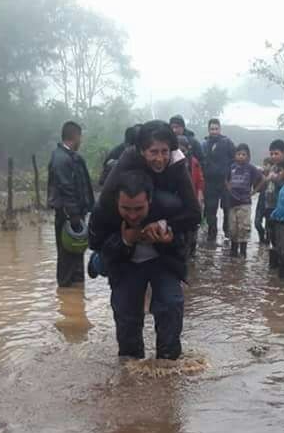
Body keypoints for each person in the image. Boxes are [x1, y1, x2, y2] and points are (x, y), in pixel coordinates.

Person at [90, 171, 186, 360]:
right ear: (116, 202)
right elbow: (98, 246)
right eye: (126, 208)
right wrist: (125, 240)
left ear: (150, 200)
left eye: (139, 209)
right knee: (126, 317)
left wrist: (169, 238)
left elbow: (186, 248)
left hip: (162, 263)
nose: (132, 215)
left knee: (171, 305)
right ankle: (129, 369)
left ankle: (169, 363)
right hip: (124, 264)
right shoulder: (103, 212)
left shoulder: (171, 208)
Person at [47, 120, 94, 287]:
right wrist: (73, 214)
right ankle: (66, 290)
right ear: (75, 136)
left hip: (76, 214)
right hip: (67, 215)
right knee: (67, 254)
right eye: (80, 137)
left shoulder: (71, 157)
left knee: (77, 250)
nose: (81, 141)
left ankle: (76, 293)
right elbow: (66, 187)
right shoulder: (61, 159)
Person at [226, 143, 264, 258]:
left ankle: (243, 252)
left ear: (248, 156)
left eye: (244, 154)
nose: (241, 156)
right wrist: (228, 188)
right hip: (232, 202)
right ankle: (233, 251)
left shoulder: (251, 168)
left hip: (245, 202)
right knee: (232, 228)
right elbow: (225, 178)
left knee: (243, 227)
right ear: (235, 155)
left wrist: (254, 191)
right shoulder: (231, 167)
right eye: (239, 154)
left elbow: (262, 179)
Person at [202, 118, 235, 239]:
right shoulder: (204, 144)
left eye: (216, 129)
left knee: (227, 207)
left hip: (225, 181)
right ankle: (212, 232)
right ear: (208, 130)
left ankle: (227, 230)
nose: (214, 131)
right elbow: (201, 161)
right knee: (211, 208)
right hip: (210, 182)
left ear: (220, 129)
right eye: (212, 129)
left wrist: (230, 176)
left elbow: (234, 159)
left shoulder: (227, 142)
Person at [178, 135, 204, 257]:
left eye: (183, 151)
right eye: (178, 150)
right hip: (178, 201)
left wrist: (199, 196)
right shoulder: (172, 162)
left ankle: (192, 249)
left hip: (192, 199)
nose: (181, 153)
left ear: (188, 149)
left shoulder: (194, 163)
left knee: (193, 226)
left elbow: (200, 181)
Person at [264, 139, 284, 247]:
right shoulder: (273, 167)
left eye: (276, 153)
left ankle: (282, 260)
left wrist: (275, 179)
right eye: (271, 154)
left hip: (281, 207)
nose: (273, 156)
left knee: (281, 236)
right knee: (271, 233)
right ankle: (274, 260)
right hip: (270, 205)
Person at [254, 157, 273, 243]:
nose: (265, 167)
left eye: (267, 165)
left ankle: (266, 245)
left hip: (272, 204)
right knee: (257, 223)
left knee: (269, 226)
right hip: (261, 202)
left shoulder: (275, 177)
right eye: (264, 165)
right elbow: (256, 187)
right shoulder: (260, 174)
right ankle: (261, 237)